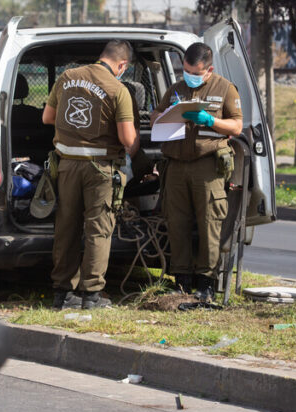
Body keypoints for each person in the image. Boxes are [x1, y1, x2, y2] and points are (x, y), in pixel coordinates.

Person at [42, 40, 140, 310]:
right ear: (122, 65)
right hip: (100, 170)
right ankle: (91, 296)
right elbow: (127, 139)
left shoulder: (67, 77)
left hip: (66, 166)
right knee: (98, 230)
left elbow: (47, 118)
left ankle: (62, 294)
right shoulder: (118, 89)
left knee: (66, 228)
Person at [150, 43, 243, 302]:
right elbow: (156, 114)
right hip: (176, 164)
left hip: (208, 165)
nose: (189, 76)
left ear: (209, 70)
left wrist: (211, 121)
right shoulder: (176, 89)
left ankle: (206, 283)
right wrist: (162, 117)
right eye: (186, 71)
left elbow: (236, 126)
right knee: (176, 222)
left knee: (209, 223)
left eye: (195, 72)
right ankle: (181, 281)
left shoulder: (225, 88)